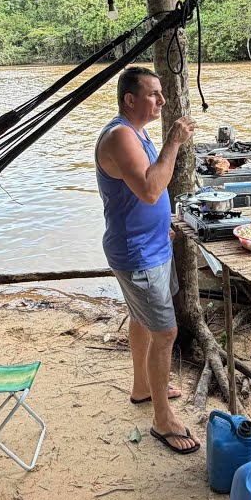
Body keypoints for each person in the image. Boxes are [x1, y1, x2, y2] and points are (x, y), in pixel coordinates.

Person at [94, 66, 199, 454]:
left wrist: (162, 224)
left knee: (141, 318)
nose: (162, 100)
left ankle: (142, 386)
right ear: (130, 99)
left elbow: (143, 189)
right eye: (154, 94)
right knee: (166, 333)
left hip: (152, 245)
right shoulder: (121, 135)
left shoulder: (136, 133)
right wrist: (174, 141)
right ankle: (162, 419)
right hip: (137, 254)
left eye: (161, 94)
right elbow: (152, 190)